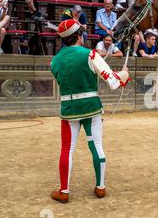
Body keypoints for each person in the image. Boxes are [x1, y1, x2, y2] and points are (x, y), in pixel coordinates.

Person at [50, 19, 130, 203]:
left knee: (67, 150)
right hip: (92, 109)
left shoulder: (54, 61)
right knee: (97, 147)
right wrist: (124, 73)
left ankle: (64, 191)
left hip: (69, 110)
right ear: (79, 36)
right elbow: (113, 82)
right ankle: (100, 188)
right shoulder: (91, 54)